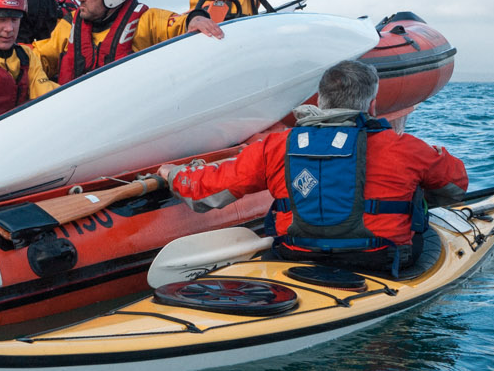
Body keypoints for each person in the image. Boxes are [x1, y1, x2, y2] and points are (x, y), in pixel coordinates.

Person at [158, 59, 467, 275]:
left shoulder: (275, 146)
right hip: (380, 260)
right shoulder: (407, 148)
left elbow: (205, 191)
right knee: (427, 224)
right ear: (372, 105)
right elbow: (455, 187)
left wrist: (171, 174)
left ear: (320, 101)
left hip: (296, 254)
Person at [32, 0, 224, 83]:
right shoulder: (69, 25)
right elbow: (40, 57)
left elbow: (177, 24)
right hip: (77, 115)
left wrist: (196, 19)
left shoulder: (146, 21)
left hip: (126, 116)